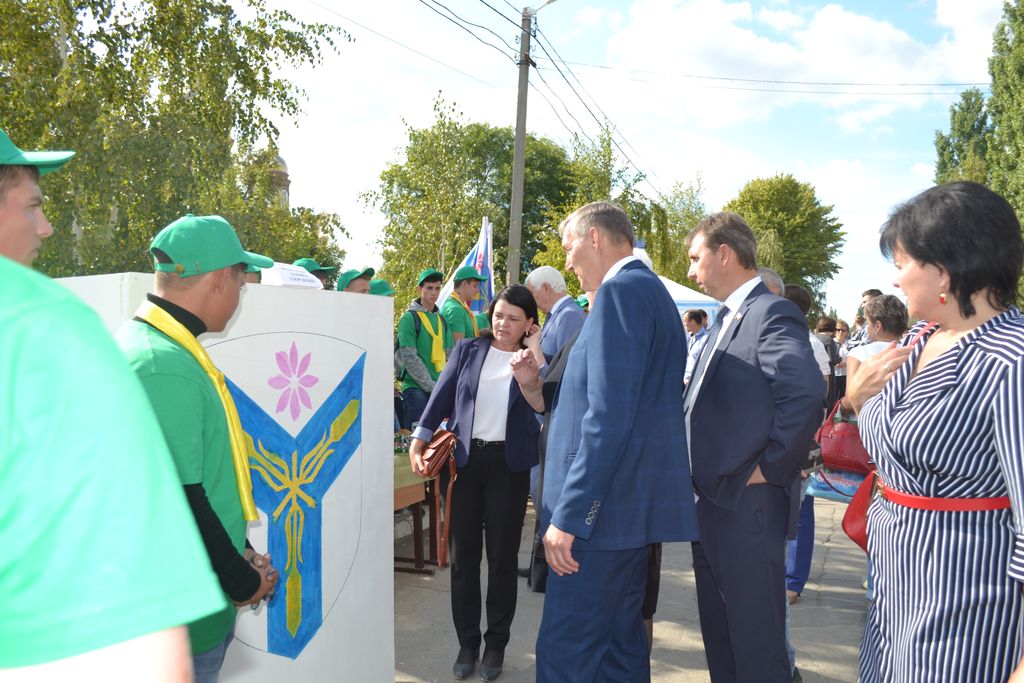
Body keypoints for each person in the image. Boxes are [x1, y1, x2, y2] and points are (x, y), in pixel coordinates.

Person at [0, 132, 226, 678]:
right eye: (32, 205)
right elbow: (137, 600)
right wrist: (239, 577)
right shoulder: (44, 327)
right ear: (219, 279)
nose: (47, 226)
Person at [844, 182, 1024, 682]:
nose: (897, 280)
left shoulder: (1010, 360)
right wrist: (858, 400)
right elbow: (894, 443)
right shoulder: (921, 338)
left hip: (966, 600)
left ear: (944, 267)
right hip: (891, 586)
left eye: (903, 262)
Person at [534, 201, 698, 682]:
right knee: (619, 653)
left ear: (594, 239)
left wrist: (570, 516)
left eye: (568, 248)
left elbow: (607, 417)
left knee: (566, 655)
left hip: (599, 523)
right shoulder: (648, 293)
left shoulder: (620, 294)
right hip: (623, 519)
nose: (567, 262)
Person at [116, 214, 279, 682]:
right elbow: (180, 500)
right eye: (242, 283)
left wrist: (242, 551)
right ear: (219, 278)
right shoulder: (161, 364)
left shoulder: (166, 349)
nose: (240, 296)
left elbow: (199, 476)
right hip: (176, 618)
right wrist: (243, 580)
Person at [685, 212, 822, 683]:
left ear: (725, 253)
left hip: (746, 501)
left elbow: (804, 394)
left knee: (756, 641)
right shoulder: (725, 319)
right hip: (712, 502)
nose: (690, 271)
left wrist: (771, 468)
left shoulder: (770, 312)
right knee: (721, 634)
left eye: (695, 258)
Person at [409, 285, 542, 682]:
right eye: (499, 314)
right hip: (465, 463)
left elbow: (546, 399)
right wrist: (419, 437)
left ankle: (495, 644)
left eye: (514, 318)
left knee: (502, 559)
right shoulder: (468, 350)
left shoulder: (532, 359)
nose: (503, 323)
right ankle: (468, 643)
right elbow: (442, 396)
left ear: (528, 324)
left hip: (510, 466)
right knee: (463, 558)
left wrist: (535, 350)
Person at [396, 268, 454, 429]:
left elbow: (450, 355)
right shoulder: (409, 318)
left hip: (438, 387)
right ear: (419, 289)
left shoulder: (442, 320)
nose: (434, 293)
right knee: (416, 440)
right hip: (415, 388)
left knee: (437, 441)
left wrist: (444, 385)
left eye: (437, 288)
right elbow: (409, 358)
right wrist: (432, 386)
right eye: (429, 288)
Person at [838, 296, 907, 413]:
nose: (866, 327)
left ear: (877, 326)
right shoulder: (914, 353)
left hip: (864, 426)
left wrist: (841, 406)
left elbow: (850, 402)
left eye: (868, 323)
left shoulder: (859, 353)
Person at [525, 265, 586, 359]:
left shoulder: (569, 315)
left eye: (531, 293)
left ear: (546, 288)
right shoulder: (558, 314)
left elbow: (566, 366)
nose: (530, 300)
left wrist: (534, 345)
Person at [441, 265, 488, 341]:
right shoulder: (456, 310)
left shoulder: (458, 305)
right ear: (464, 284)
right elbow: (458, 348)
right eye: (475, 286)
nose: (477, 290)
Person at [683, 308, 709, 386]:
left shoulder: (705, 339)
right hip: (686, 382)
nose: (684, 324)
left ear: (693, 322)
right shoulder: (690, 338)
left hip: (695, 384)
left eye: (685, 321)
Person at [834, 319, 851, 397]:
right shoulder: (830, 343)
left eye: (843, 330)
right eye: (838, 330)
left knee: (844, 397)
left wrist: (846, 363)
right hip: (833, 375)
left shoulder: (851, 344)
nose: (840, 332)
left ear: (847, 332)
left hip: (847, 376)